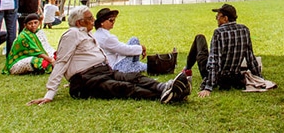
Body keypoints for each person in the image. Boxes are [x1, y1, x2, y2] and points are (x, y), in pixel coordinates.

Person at [27, 7, 190, 105]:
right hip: (86, 79)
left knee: (133, 77)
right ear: (79, 23)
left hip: (103, 71)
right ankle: (167, 94)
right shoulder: (72, 34)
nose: (93, 21)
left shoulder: (88, 34)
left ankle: (164, 87)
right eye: (90, 18)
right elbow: (61, 62)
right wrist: (49, 93)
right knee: (122, 88)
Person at [184, 3, 261, 98]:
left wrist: (208, 87)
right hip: (235, 78)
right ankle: (187, 68)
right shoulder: (244, 30)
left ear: (226, 18)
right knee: (203, 45)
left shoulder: (219, 33)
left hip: (218, 78)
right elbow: (250, 57)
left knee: (199, 38)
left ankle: (187, 68)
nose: (216, 19)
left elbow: (214, 61)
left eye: (218, 16)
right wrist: (259, 78)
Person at [93, 7, 147, 74]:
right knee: (134, 40)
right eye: (110, 20)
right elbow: (124, 49)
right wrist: (141, 48)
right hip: (117, 67)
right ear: (102, 22)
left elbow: (119, 47)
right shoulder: (106, 37)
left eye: (114, 20)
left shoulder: (98, 34)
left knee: (134, 41)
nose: (113, 22)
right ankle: (136, 65)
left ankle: (137, 65)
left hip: (112, 64)